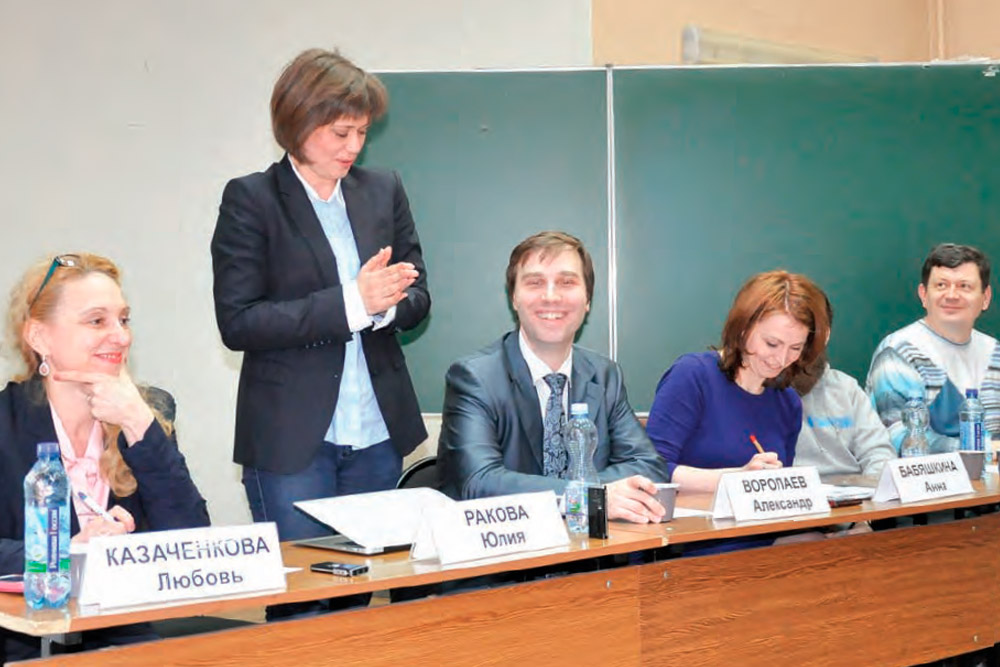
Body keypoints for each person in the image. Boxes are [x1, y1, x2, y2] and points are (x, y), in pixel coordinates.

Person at [211, 48, 430, 543]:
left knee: (373, 580)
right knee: (304, 585)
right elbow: (239, 321)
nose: (354, 146)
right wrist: (354, 303)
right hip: (292, 441)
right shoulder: (252, 200)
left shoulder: (383, 190)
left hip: (377, 432)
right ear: (298, 122)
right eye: (341, 132)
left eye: (362, 132)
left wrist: (386, 306)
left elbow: (419, 294)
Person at [0, 253, 209, 662]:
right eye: (97, 321)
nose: (121, 336)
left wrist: (137, 422)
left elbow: (191, 542)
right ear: (39, 337)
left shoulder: (148, 411)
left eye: (124, 320)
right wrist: (65, 552)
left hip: (122, 632)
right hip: (20, 635)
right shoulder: (5, 422)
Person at [437, 231, 667, 523]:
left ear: (587, 299)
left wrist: (586, 494)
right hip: (504, 546)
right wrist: (586, 496)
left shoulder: (604, 376)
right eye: (534, 282)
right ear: (514, 298)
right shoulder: (475, 378)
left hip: (589, 547)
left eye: (567, 282)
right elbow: (478, 481)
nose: (551, 296)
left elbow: (649, 467)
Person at [646, 270, 830, 494]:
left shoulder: (788, 402)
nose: (781, 359)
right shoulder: (692, 376)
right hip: (690, 516)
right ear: (743, 329)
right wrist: (738, 479)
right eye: (772, 343)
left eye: (795, 348)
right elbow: (652, 470)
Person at [867, 243, 999, 453]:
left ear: (985, 297)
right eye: (941, 285)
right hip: (932, 474)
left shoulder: (995, 352)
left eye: (964, 286)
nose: (952, 295)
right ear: (923, 295)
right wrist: (985, 452)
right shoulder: (898, 352)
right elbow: (901, 439)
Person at [791, 296, 896, 477]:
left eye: (809, 337)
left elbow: (879, 453)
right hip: (798, 491)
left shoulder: (846, 387)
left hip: (855, 489)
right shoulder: (760, 390)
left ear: (826, 335)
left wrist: (874, 488)